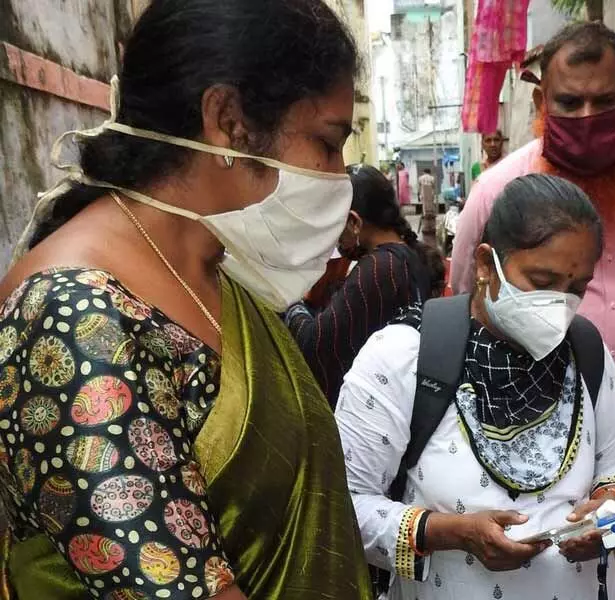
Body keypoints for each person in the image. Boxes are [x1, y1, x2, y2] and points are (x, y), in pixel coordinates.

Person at [0, 1, 371, 598]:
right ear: (226, 119)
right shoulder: (71, 315)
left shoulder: (217, 273)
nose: (338, 173)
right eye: (328, 143)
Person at [449, 21, 615, 600]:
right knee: (528, 577)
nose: (588, 116)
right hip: (520, 436)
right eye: (570, 102)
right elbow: (465, 294)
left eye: (604, 100)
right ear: (542, 101)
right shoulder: (496, 189)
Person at [337, 174, 615, 600]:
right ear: (486, 265)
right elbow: (344, 505)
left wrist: (609, 507)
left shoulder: (585, 350)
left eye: (576, 288)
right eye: (541, 282)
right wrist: (452, 534)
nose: (560, 304)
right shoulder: (403, 357)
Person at [284, 164, 444, 403]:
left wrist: (290, 303)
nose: (333, 236)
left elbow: (313, 344)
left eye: (334, 223)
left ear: (354, 222)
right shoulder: (407, 256)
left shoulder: (380, 268)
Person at [418, 168, 437, 246]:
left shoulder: (420, 178)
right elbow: (433, 187)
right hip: (430, 196)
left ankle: (426, 225)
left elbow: (419, 187)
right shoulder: (432, 178)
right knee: (431, 208)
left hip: (423, 195)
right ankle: (431, 225)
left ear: (424, 172)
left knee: (424, 209)